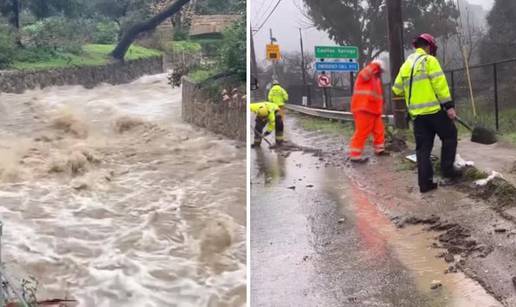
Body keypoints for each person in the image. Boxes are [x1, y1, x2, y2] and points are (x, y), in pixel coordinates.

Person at [392, 33, 462, 193]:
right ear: (429, 47)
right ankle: (447, 171)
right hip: (434, 112)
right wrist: (449, 106)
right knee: (450, 135)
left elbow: (396, 89)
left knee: (423, 149)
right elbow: (440, 85)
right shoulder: (429, 61)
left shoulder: (406, 66)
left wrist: (412, 100)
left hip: (417, 116)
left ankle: (425, 184)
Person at [348, 60, 388, 163]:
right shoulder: (365, 75)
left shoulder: (376, 80)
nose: (381, 74)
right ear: (376, 68)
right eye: (380, 71)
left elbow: (377, 97)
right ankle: (355, 156)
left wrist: (380, 110)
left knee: (379, 130)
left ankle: (379, 150)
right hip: (363, 109)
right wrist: (375, 65)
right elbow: (365, 74)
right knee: (362, 132)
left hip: (373, 110)